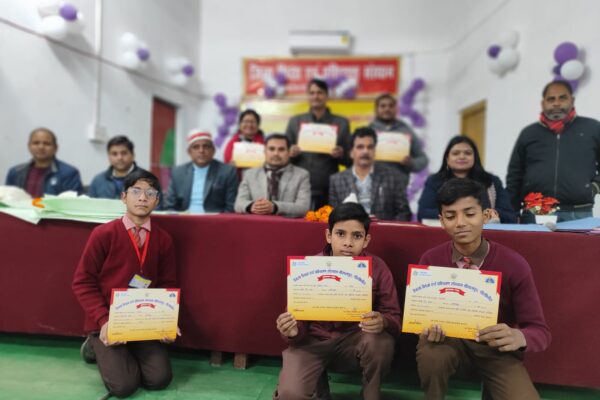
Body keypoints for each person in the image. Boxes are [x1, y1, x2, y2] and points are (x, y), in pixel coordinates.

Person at [416, 178, 551, 400]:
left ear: (486, 216)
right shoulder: (430, 260)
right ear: (441, 221)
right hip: (447, 343)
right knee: (431, 353)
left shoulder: (514, 264)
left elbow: (540, 331)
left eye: (469, 214)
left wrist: (519, 336)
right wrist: (424, 328)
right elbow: (418, 318)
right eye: (450, 216)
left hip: (496, 350)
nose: (460, 223)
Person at [273, 202, 402, 400]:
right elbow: (296, 323)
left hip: (356, 340)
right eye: (340, 234)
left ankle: (370, 394)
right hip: (313, 343)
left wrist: (383, 321)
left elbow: (394, 317)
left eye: (356, 236)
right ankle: (318, 384)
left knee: (381, 343)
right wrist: (292, 331)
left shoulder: (378, 268)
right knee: (290, 394)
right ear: (328, 235)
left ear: (366, 240)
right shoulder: (307, 268)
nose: (348, 243)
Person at [72, 170, 178, 398]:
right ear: (123, 197)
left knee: (159, 379)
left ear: (157, 200)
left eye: (150, 193)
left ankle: (123, 353)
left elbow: (167, 284)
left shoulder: (163, 239)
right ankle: (93, 345)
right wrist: (103, 320)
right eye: (136, 191)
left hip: (143, 321)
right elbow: (82, 282)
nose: (143, 198)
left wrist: (166, 322)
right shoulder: (103, 234)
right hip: (108, 320)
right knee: (124, 387)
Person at [506, 80, 600, 222]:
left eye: (562, 98)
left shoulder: (592, 128)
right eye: (551, 99)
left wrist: (594, 187)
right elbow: (515, 175)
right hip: (534, 213)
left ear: (572, 100)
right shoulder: (528, 133)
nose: (556, 103)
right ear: (543, 103)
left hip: (579, 213)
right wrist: (511, 214)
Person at [285, 78, 352, 209]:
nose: (316, 96)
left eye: (320, 92)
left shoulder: (341, 123)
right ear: (308, 96)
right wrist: (291, 153)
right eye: (312, 93)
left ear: (327, 95)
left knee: (326, 220)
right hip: (299, 186)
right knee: (299, 221)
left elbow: (350, 160)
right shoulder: (295, 121)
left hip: (329, 186)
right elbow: (283, 156)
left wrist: (341, 154)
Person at [418, 136, 516, 223]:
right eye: (456, 153)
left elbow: (510, 216)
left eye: (468, 153)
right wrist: (467, 214)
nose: (462, 156)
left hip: (486, 235)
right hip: (443, 234)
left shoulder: (491, 181)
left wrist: (489, 214)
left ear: (475, 157)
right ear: (447, 159)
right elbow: (423, 213)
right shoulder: (435, 181)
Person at [329, 127, 411, 221]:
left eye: (370, 147)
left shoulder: (393, 177)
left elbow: (404, 213)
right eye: (360, 147)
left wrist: (389, 229)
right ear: (351, 152)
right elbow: (334, 217)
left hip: (384, 229)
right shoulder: (336, 180)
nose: (365, 151)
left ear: (375, 151)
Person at [234, 134, 311, 218]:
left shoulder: (302, 175)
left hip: (288, 225)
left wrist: (275, 207)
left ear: (289, 152)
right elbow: (238, 204)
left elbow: (303, 208)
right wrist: (251, 206)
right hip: (257, 224)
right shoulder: (249, 174)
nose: (276, 153)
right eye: (271, 149)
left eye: (281, 149)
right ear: (264, 151)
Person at [164, 129, 238, 212]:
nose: (201, 151)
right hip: (184, 218)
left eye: (206, 146)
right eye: (196, 147)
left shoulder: (227, 171)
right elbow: (170, 206)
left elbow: (230, 207)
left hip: (215, 219)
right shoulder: (178, 172)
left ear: (213, 151)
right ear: (189, 152)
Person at [369, 93, 429, 188]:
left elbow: (423, 159)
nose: (387, 109)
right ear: (376, 109)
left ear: (396, 109)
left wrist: (411, 163)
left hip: (399, 187)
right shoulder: (368, 131)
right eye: (383, 106)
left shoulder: (406, 131)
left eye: (391, 106)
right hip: (373, 186)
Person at [5, 127, 83, 196]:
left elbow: (73, 203)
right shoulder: (16, 172)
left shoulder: (69, 173)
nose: (41, 147)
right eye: (36, 143)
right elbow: (6, 200)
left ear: (56, 148)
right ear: (29, 146)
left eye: (47, 144)